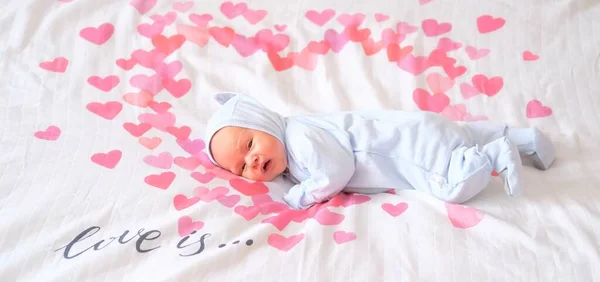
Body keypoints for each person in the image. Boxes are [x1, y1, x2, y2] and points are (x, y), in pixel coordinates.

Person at [205, 93, 555, 210]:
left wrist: (300, 196)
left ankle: (497, 153)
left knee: (452, 185)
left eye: (249, 145)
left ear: (267, 122)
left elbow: (335, 171)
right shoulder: (293, 142)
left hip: (407, 149)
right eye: (240, 169)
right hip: (418, 127)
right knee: (464, 134)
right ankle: (526, 139)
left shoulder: (298, 137)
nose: (251, 161)